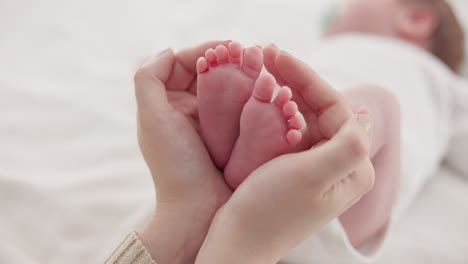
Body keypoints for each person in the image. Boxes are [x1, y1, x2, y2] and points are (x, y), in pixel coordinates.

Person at [192, 0, 468, 263]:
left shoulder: (439, 78)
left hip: (349, 195)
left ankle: (305, 143)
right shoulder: (321, 50)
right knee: (272, 80)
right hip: (251, 212)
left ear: (415, 19)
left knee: (380, 105)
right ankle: (252, 147)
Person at [103, 41, 375, 264]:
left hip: (259, 221)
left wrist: (190, 212)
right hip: (316, 210)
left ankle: (240, 160)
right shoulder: (387, 57)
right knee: (379, 102)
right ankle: (313, 148)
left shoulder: (407, 60)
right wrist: (242, 244)